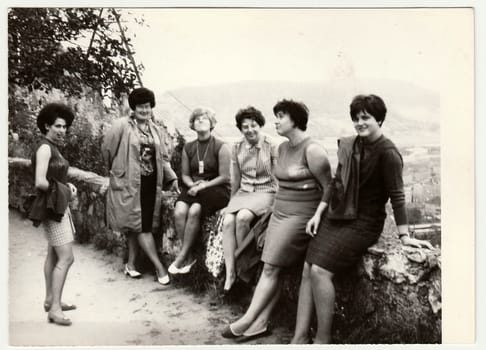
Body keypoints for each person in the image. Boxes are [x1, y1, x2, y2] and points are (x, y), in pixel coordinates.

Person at [290, 94, 434, 344]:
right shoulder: (351, 145)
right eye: (356, 118)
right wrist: (318, 214)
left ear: (379, 119)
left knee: (320, 271)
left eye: (365, 117)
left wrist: (405, 236)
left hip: (364, 222)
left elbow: (397, 196)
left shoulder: (388, 153)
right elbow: (335, 184)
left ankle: (322, 340)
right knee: (307, 268)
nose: (360, 123)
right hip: (338, 215)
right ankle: (299, 337)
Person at [221, 99, 332, 342]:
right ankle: (260, 322)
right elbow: (278, 184)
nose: (276, 121)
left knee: (271, 266)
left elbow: (329, 188)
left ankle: (248, 319)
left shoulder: (313, 150)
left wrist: (316, 217)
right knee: (270, 264)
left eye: (281, 116)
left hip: (301, 215)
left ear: (295, 120)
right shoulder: (282, 148)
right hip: (279, 212)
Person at [102, 87, 178, 285]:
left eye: (147, 106)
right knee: (142, 226)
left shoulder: (155, 129)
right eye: (140, 107)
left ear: (151, 107)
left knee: (137, 224)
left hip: (151, 183)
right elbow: (107, 150)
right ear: (133, 108)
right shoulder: (121, 126)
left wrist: (173, 179)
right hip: (129, 183)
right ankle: (160, 268)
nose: (144, 110)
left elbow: (163, 158)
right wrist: (117, 172)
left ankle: (131, 264)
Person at [29, 103, 78, 326]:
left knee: (54, 255)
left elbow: (53, 177)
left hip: (56, 205)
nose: (62, 130)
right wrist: (66, 190)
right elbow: (40, 182)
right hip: (52, 208)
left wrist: (67, 187)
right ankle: (55, 309)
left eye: (65, 126)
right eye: (57, 126)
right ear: (47, 125)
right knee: (67, 257)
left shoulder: (52, 146)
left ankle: (51, 299)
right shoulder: (45, 148)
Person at [222, 106, 278, 293]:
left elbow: (278, 177)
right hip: (244, 193)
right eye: (245, 127)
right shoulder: (237, 147)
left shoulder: (271, 145)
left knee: (243, 217)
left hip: (266, 192)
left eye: (253, 125)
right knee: (229, 220)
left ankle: (244, 271)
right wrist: (230, 204)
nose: (250, 130)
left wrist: (278, 202)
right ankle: (230, 272)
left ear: (260, 125)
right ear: (240, 129)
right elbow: (236, 178)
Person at [168, 107, 231, 274]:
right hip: (194, 188)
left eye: (205, 118)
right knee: (179, 211)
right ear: (192, 125)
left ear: (211, 124)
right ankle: (189, 257)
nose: (201, 121)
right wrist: (192, 186)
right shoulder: (188, 148)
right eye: (197, 119)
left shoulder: (221, 146)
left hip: (216, 188)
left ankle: (181, 257)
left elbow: (225, 176)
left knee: (195, 210)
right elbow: (185, 175)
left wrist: (204, 185)